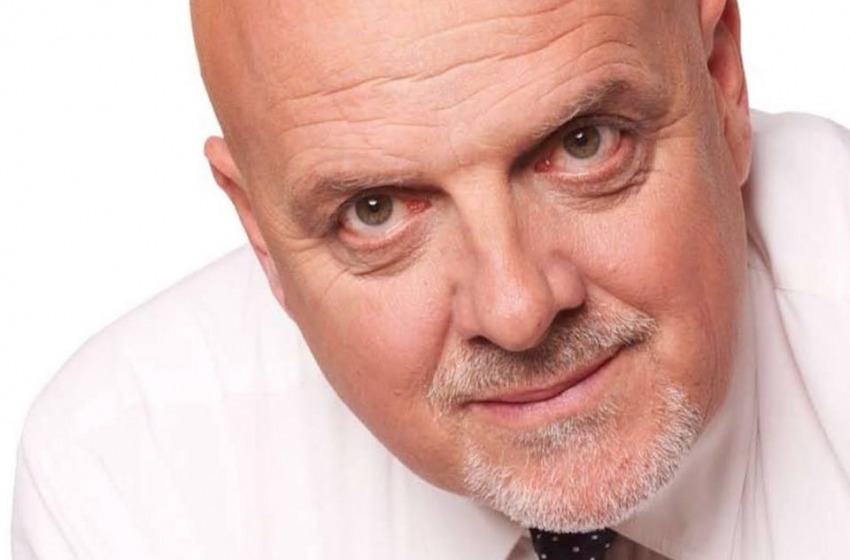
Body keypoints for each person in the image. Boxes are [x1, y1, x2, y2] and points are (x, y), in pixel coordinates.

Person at [11, 0, 850, 558]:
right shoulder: (128, 477)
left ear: (721, 80)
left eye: (585, 144)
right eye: (374, 210)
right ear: (258, 230)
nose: (518, 311)